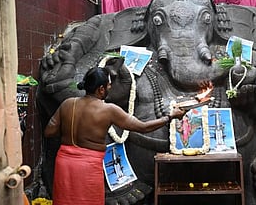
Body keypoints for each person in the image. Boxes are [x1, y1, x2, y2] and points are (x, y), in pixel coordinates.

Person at [44, 66, 186, 205]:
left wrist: (72, 129)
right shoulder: (108, 110)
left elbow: (49, 131)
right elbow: (143, 127)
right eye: (109, 85)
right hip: (87, 166)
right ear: (101, 89)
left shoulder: (68, 103)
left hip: (64, 163)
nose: (110, 88)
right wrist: (170, 116)